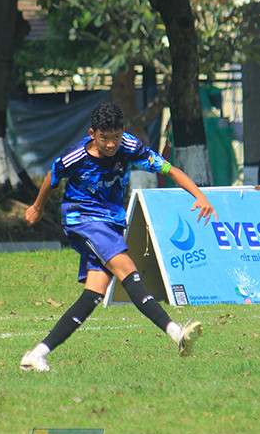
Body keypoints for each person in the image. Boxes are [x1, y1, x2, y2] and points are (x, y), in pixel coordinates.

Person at [20, 103, 217, 372]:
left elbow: (169, 169)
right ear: (93, 133)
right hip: (82, 218)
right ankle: (175, 333)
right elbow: (52, 177)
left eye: (115, 136)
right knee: (127, 268)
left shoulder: (131, 147)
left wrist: (199, 195)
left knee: (94, 293)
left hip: (110, 220)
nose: (111, 144)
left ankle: (37, 354)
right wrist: (37, 207)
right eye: (104, 138)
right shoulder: (75, 156)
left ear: (122, 131)